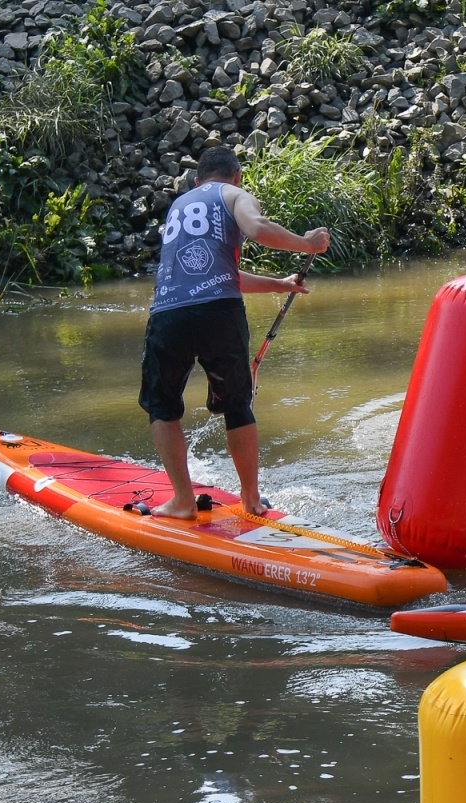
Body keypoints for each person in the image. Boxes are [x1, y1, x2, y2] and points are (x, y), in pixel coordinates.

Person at [138, 145, 330, 521]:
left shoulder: (179, 206)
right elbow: (257, 229)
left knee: (162, 406)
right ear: (237, 176)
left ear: (197, 181)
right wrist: (307, 244)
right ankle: (251, 500)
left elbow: (218, 276)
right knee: (237, 406)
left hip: (168, 314)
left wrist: (280, 284)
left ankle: (182, 500)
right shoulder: (234, 194)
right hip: (219, 316)